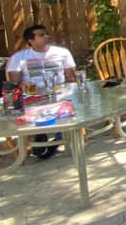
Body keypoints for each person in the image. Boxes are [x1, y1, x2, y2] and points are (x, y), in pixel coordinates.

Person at [6, 24, 77, 159]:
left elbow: (71, 78)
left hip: (59, 95)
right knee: (33, 110)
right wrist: (36, 92)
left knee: (66, 107)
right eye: (42, 35)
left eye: (46, 33)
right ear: (31, 40)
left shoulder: (62, 53)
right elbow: (14, 85)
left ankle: (57, 139)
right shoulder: (19, 57)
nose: (47, 36)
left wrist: (66, 92)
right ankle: (40, 134)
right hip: (33, 97)